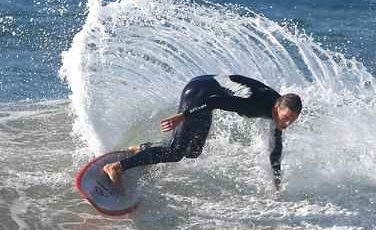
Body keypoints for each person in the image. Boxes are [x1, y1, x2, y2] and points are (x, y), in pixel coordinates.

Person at [103, 74, 302, 190]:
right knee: (175, 152)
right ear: (278, 107)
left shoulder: (280, 108)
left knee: (193, 152)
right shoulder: (252, 103)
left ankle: (143, 149)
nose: (287, 123)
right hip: (199, 93)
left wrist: (276, 176)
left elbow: (275, 144)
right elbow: (214, 101)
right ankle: (117, 167)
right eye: (285, 118)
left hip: (208, 96)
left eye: (291, 121)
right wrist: (184, 115)